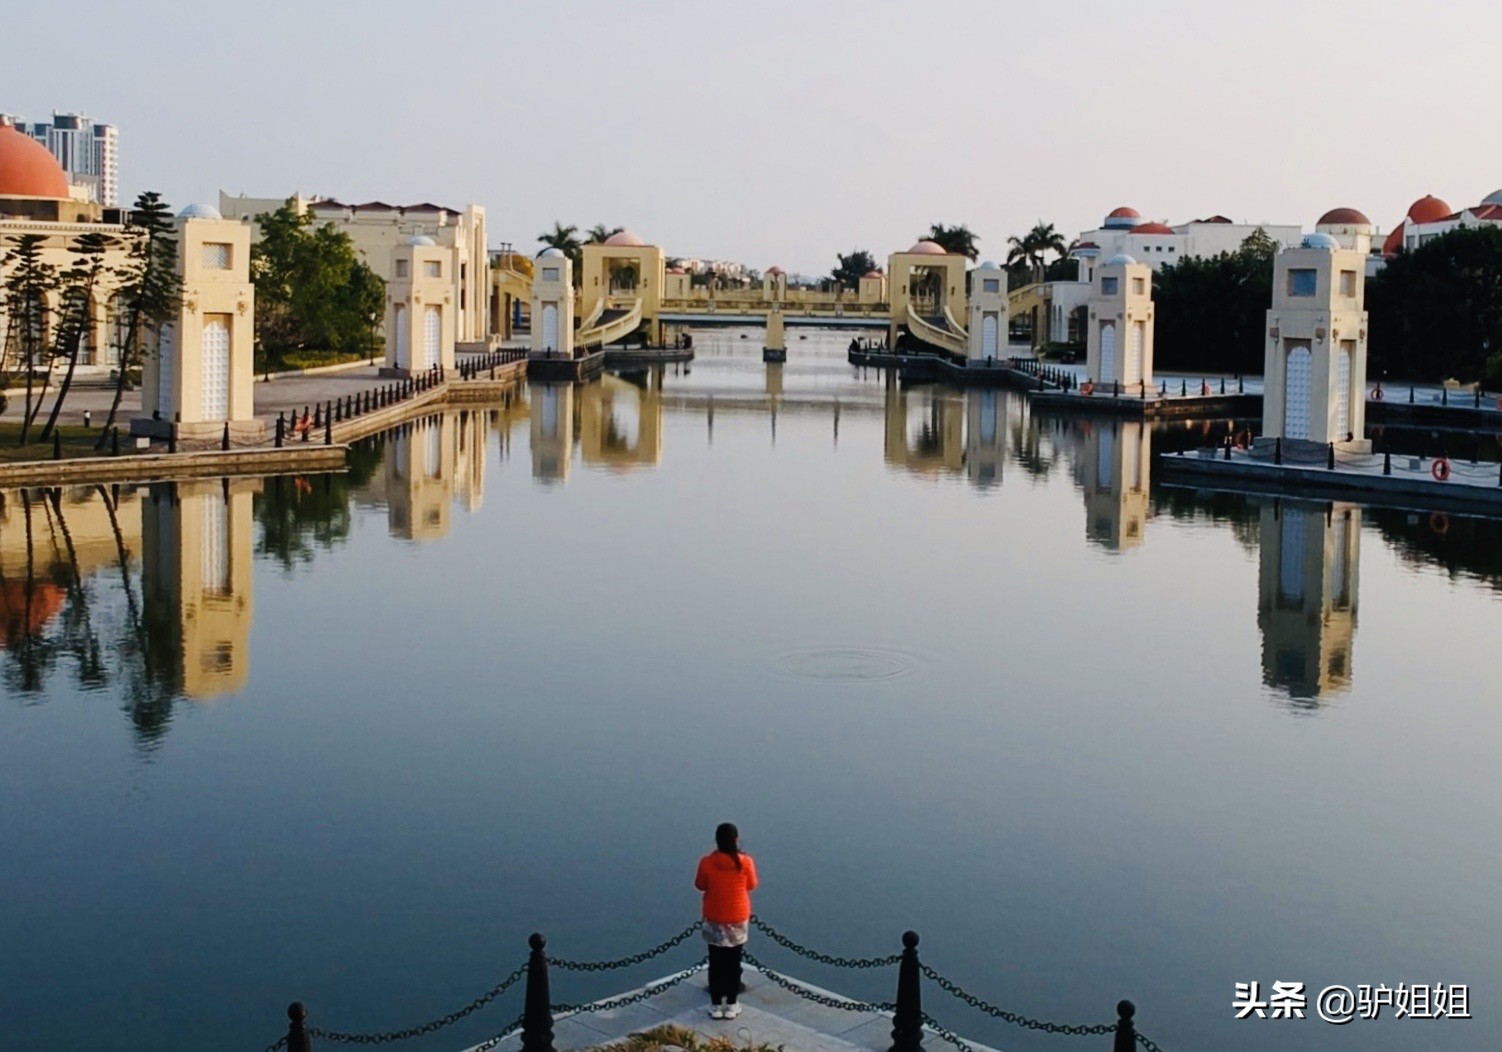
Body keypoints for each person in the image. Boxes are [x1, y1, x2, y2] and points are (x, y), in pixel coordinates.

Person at [695, 822, 757, 1020]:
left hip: (714, 917)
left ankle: (715, 1005)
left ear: (716, 840)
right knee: (733, 961)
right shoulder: (745, 862)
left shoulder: (706, 862)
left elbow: (700, 885)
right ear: (736, 840)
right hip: (737, 917)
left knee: (715, 961)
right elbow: (752, 884)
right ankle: (731, 1004)